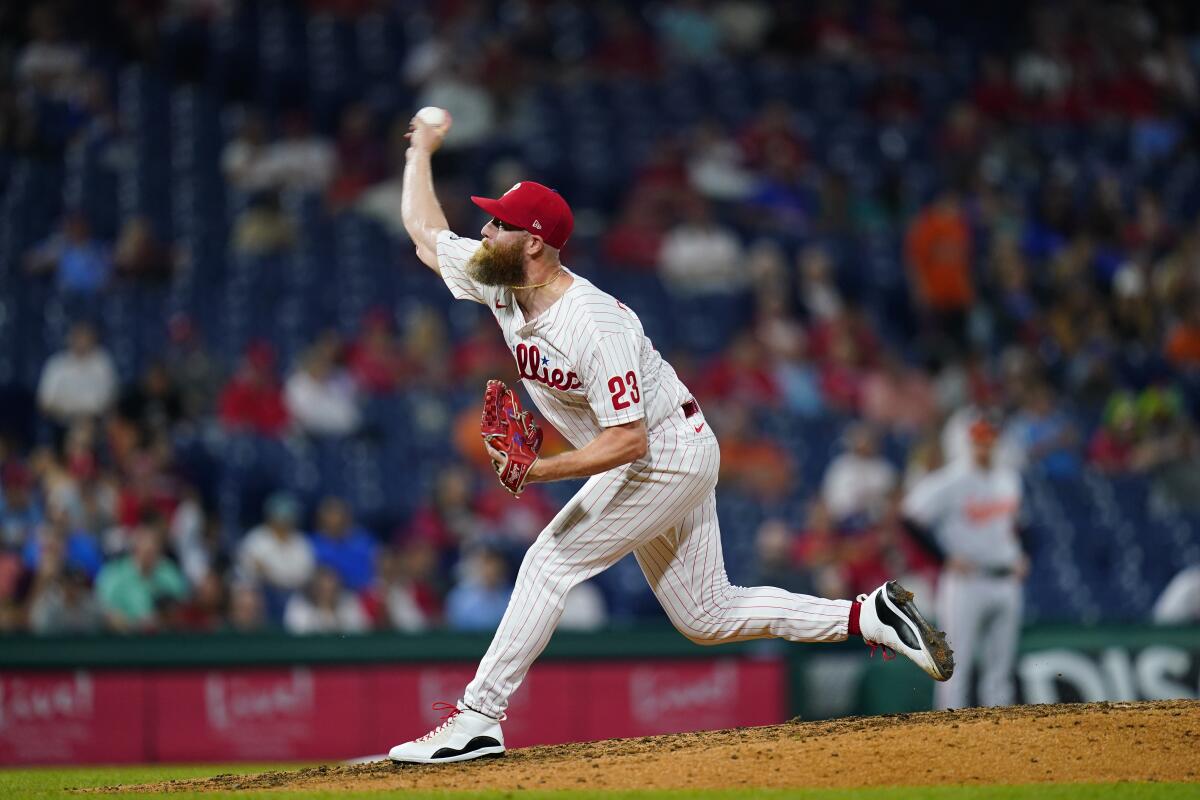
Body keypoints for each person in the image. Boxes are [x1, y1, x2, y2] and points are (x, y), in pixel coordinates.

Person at [386, 112, 953, 764]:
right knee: (706, 615)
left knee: (549, 562)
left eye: (499, 224)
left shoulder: (593, 323)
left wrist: (540, 472)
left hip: (665, 452)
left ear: (535, 245)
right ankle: (870, 615)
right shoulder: (498, 278)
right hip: (656, 451)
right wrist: (421, 150)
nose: (484, 231)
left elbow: (629, 442)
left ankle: (478, 718)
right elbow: (425, 235)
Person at [902, 415, 1027, 711]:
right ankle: (950, 737)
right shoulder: (952, 479)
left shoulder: (1008, 478)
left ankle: (1001, 737)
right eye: (978, 441)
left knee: (1000, 670)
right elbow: (909, 517)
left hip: (1006, 579)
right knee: (953, 666)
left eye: (989, 440)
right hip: (967, 583)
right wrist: (943, 558)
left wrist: (1022, 553)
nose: (984, 446)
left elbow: (1018, 524)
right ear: (968, 444)